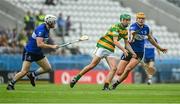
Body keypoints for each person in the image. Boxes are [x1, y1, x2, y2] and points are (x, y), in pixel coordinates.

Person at [70, 14, 137, 90]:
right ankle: (76, 78)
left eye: (129, 20)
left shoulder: (125, 31)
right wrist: (124, 50)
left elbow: (127, 44)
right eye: (126, 20)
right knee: (92, 65)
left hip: (110, 49)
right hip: (103, 46)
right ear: (121, 20)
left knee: (114, 68)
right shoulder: (116, 27)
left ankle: (106, 86)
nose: (128, 22)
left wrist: (133, 52)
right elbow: (115, 41)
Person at [111, 12, 167, 90]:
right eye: (139, 18)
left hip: (139, 53)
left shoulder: (147, 28)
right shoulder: (133, 26)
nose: (141, 20)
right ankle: (117, 80)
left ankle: (116, 84)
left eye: (143, 18)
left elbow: (151, 39)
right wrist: (134, 34)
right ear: (136, 19)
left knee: (128, 69)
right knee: (119, 72)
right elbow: (132, 33)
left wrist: (160, 48)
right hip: (128, 51)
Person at [7, 15, 59, 90]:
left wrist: (53, 46)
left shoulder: (47, 29)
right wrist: (52, 46)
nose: (55, 24)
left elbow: (41, 44)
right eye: (54, 22)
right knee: (24, 71)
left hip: (37, 52)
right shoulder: (41, 29)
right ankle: (11, 84)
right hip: (30, 51)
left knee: (47, 68)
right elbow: (39, 44)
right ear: (49, 22)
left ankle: (32, 75)